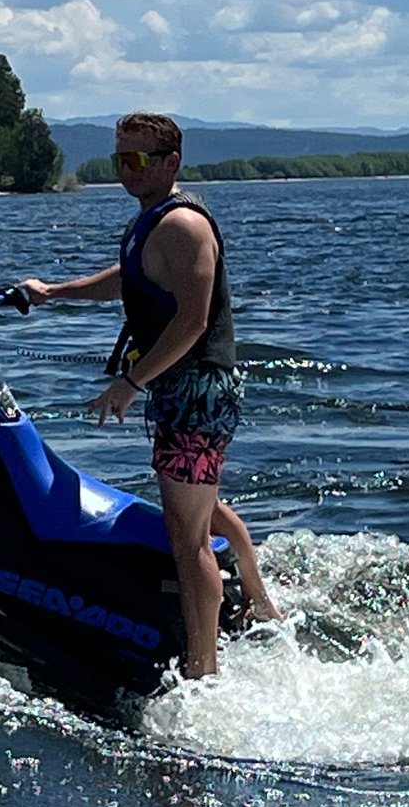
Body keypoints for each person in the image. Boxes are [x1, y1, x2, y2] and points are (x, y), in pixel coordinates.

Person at [21, 112, 277, 678]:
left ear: (170, 163)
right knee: (199, 507)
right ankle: (260, 603)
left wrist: (130, 384)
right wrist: (52, 293)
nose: (128, 171)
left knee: (186, 539)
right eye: (120, 160)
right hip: (180, 387)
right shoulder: (151, 224)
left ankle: (202, 669)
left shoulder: (184, 226)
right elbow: (127, 277)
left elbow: (192, 320)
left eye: (140, 160)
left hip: (196, 391)